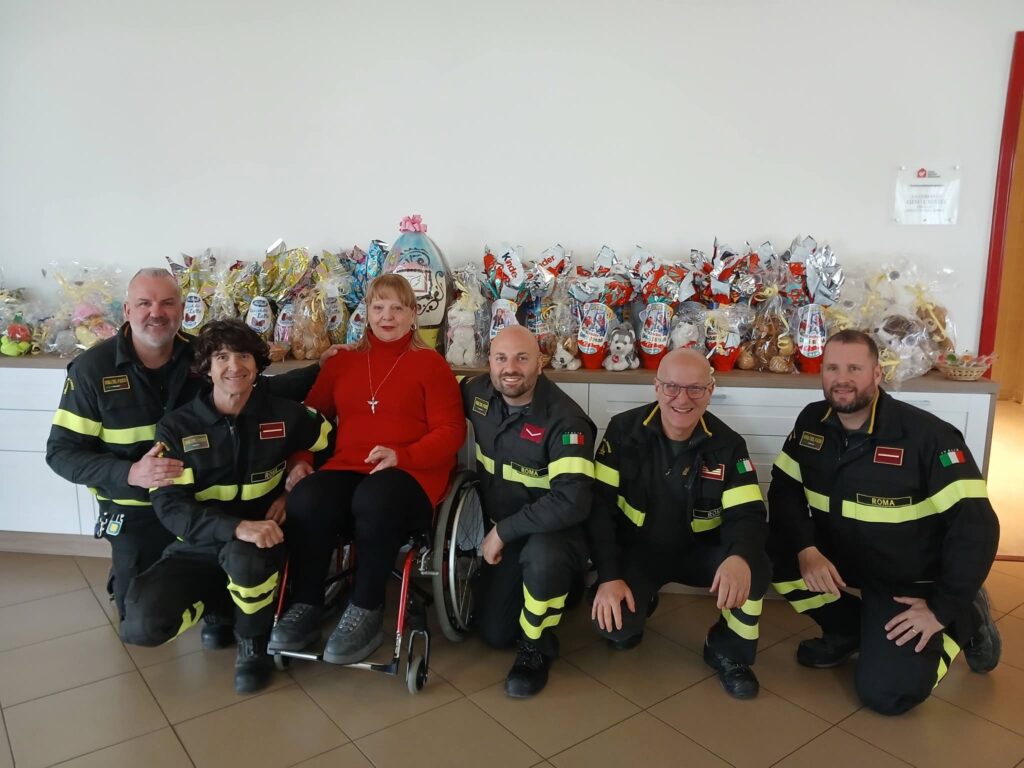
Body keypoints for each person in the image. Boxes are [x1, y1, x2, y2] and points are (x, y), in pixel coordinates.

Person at [46, 268, 327, 637]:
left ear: (182, 309)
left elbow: (259, 391)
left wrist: (324, 366)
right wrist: (129, 474)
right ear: (127, 311)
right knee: (140, 623)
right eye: (145, 303)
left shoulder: (200, 354)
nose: (156, 313)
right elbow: (61, 454)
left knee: (237, 588)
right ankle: (202, 592)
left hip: (200, 503)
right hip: (137, 512)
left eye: (167, 303)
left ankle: (223, 602)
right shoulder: (91, 370)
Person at [768, 329, 1001, 715]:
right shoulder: (812, 420)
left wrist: (942, 607)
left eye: (855, 368)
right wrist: (806, 550)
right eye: (832, 368)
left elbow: (976, 527)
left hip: (907, 580)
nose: (842, 379)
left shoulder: (928, 436)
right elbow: (784, 489)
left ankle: (964, 617)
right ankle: (848, 630)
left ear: (877, 374)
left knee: (888, 697)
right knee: (764, 549)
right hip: (839, 560)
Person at [119, 320, 332, 693]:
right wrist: (233, 527)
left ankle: (253, 644)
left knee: (247, 557)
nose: (234, 366)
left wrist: (298, 478)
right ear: (206, 367)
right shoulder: (177, 427)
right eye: (221, 357)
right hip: (199, 542)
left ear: (257, 363)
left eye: (244, 355)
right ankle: (219, 607)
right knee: (140, 626)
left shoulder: (285, 414)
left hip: (261, 543)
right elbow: (169, 506)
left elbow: (332, 445)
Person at [268, 274, 466, 664]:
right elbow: (311, 419)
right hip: (350, 468)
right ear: (367, 314)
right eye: (378, 307)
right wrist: (302, 462)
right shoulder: (343, 363)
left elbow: (451, 431)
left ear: (413, 316)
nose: (387, 316)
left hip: (412, 473)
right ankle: (306, 604)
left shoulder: (430, 365)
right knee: (307, 497)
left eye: (397, 308)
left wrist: (402, 456)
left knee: (375, 497)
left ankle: (367, 609)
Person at [588, 348, 769, 699]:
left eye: (695, 389)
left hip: (699, 554)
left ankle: (727, 649)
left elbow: (747, 514)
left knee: (755, 566)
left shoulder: (729, 445)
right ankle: (642, 600)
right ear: (656, 388)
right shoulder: (624, 430)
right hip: (639, 552)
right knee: (614, 628)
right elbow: (599, 509)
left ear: (710, 390)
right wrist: (608, 575)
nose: (682, 399)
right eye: (671, 387)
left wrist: (739, 557)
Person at [461, 325, 595, 698]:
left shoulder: (565, 421)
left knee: (544, 558)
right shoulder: (476, 394)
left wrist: (503, 531)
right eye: (501, 358)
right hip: (504, 531)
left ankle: (537, 648)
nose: (510, 368)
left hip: (553, 531)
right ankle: (561, 591)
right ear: (488, 362)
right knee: (494, 633)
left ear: (541, 362)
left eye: (522, 358)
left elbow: (572, 500)